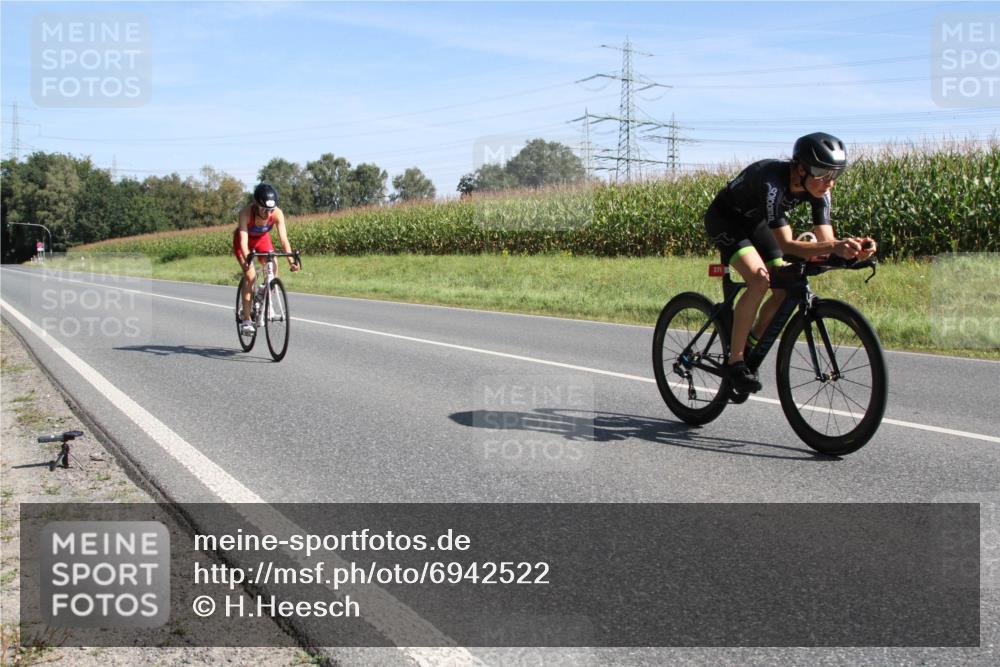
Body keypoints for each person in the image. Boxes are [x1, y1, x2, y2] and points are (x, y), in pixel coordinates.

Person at [703, 132, 877, 394]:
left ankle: (750, 344)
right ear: (800, 167)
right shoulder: (774, 183)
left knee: (783, 288)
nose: (829, 182)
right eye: (821, 172)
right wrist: (834, 247)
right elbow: (788, 245)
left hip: (756, 222)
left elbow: (826, 240)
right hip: (726, 220)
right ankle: (736, 360)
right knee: (760, 280)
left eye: (835, 174)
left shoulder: (821, 192)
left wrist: (851, 250)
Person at [234, 183, 299, 335]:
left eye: (270, 209)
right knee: (250, 276)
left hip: (262, 239)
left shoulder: (277, 213)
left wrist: (291, 261)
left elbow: (284, 240)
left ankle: (264, 294)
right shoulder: (245, 213)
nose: (268, 213)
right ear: (256, 205)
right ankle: (246, 319)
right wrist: (248, 260)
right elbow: (243, 242)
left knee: (273, 268)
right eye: (264, 209)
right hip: (244, 241)